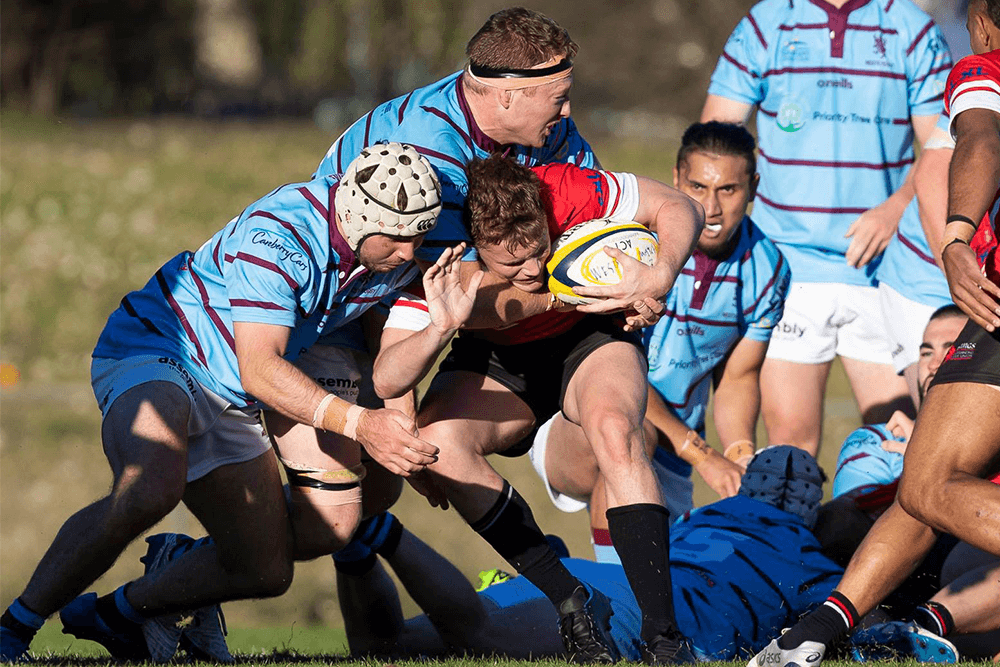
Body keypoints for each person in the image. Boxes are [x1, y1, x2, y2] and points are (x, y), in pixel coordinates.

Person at [0, 144, 459, 663]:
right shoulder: (280, 235)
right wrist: (361, 425)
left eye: (419, 235)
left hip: (234, 394)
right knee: (150, 486)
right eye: (399, 238)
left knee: (266, 571)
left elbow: (384, 348)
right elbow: (260, 368)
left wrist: (404, 433)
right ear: (356, 216)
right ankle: (14, 628)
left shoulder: (386, 255)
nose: (408, 252)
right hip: (163, 349)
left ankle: (124, 612)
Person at [371, 154, 703, 663]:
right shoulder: (443, 243)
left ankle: (662, 633)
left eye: (539, 252)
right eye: (512, 264)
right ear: (476, 247)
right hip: (498, 358)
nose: (532, 270)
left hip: (587, 336)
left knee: (615, 429)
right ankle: (573, 601)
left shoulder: (563, 189)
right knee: (441, 445)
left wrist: (658, 275)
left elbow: (680, 206)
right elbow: (387, 376)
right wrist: (438, 330)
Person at [747, 4, 1000, 663]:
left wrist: (954, 236)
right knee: (926, 480)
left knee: (928, 481)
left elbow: (980, 139)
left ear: (981, 21)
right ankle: (818, 632)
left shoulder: (985, 68)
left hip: (995, 295)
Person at [334, 446, 956, 663]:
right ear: (811, 512)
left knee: (384, 648)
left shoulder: (707, 514)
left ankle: (357, 549)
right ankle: (382, 533)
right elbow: (859, 625)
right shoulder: (809, 558)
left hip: (588, 576)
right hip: (644, 608)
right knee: (482, 636)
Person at [526, 121, 790, 562]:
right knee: (628, 431)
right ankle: (623, 610)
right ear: (675, 179)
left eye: (728, 190)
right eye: (697, 187)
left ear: (754, 187)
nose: (711, 206)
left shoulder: (769, 269)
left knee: (678, 568)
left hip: (677, 449)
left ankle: (564, 575)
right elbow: (610, 368)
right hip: (579, 422)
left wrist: (740, 454)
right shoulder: (626, 243)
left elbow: (738, 375)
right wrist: (702, 453)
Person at [702, 0, 954, 455]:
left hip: (882, 271)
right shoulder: (766, 23)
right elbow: (714, 141)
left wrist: (894, 209)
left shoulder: (911, 29)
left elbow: (942, 149)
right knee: (790, 450)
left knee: (898, 444)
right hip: (786, 268)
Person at [314, 7, 662, 331]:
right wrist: (580, 294)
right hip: (336, 294)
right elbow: (467, 299)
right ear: (506, 96)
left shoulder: (545, 128)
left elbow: (598, 221)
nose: (568, 111)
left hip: (394, 283)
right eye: (559, 98)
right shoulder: (434, 155)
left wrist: (642, 282)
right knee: (378, 388)